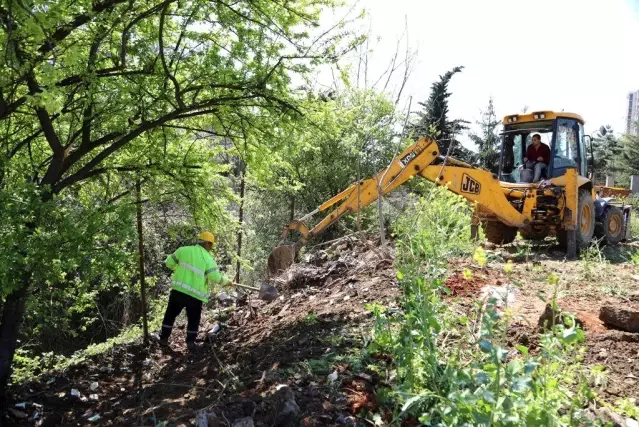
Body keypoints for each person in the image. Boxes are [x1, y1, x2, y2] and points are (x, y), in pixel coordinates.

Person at [156, 231, 229, 351]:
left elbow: (168, 262)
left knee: (170, 315)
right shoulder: (208, 258)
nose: (211, 248)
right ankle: (190, 343)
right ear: (208, 244)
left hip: (178, 291)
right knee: (193, 319)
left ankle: (163, 338)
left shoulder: (183, 250)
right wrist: (227, 282)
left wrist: (178, 269)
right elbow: (215, 277)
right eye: (211, 245)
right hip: (195, 296)